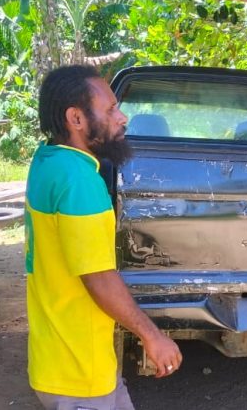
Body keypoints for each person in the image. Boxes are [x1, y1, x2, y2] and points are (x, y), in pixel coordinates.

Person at [25, 65, 182, 410]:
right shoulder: (79, 181)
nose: (122, 117)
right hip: (78, 373)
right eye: (110, 109)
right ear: (76, 119)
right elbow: (97, 276)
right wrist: (152, 335)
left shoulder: (47, 161)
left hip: (63, 358)